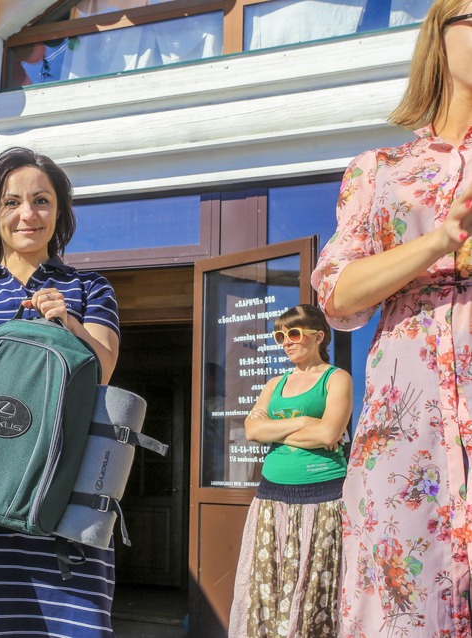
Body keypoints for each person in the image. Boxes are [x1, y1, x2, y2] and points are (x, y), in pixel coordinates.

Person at [312, 1, 472, 633]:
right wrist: (437, 244)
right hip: (410, 424)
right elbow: (338, 293)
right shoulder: (380, 172)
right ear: (439, 34)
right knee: (404, 605)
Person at [0, 147, 120, 636]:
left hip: (63, 490)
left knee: (71, 626)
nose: (27, 214)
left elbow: (105, 369)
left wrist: (69, 321)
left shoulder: (89, 287)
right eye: (12, 202)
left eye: (42, 201)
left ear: (60, 213)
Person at [228, 304, 353, 636]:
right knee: (269, 585)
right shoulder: (274, 383)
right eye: (280, 335)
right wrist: (303, 422)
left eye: (294, 333)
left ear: (318, 336)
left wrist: (278, 428)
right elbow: (252, 431)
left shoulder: (336, 378)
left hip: (323, 499)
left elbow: (329, 434)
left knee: (314, 588)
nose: (286, 341)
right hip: (272, 499)